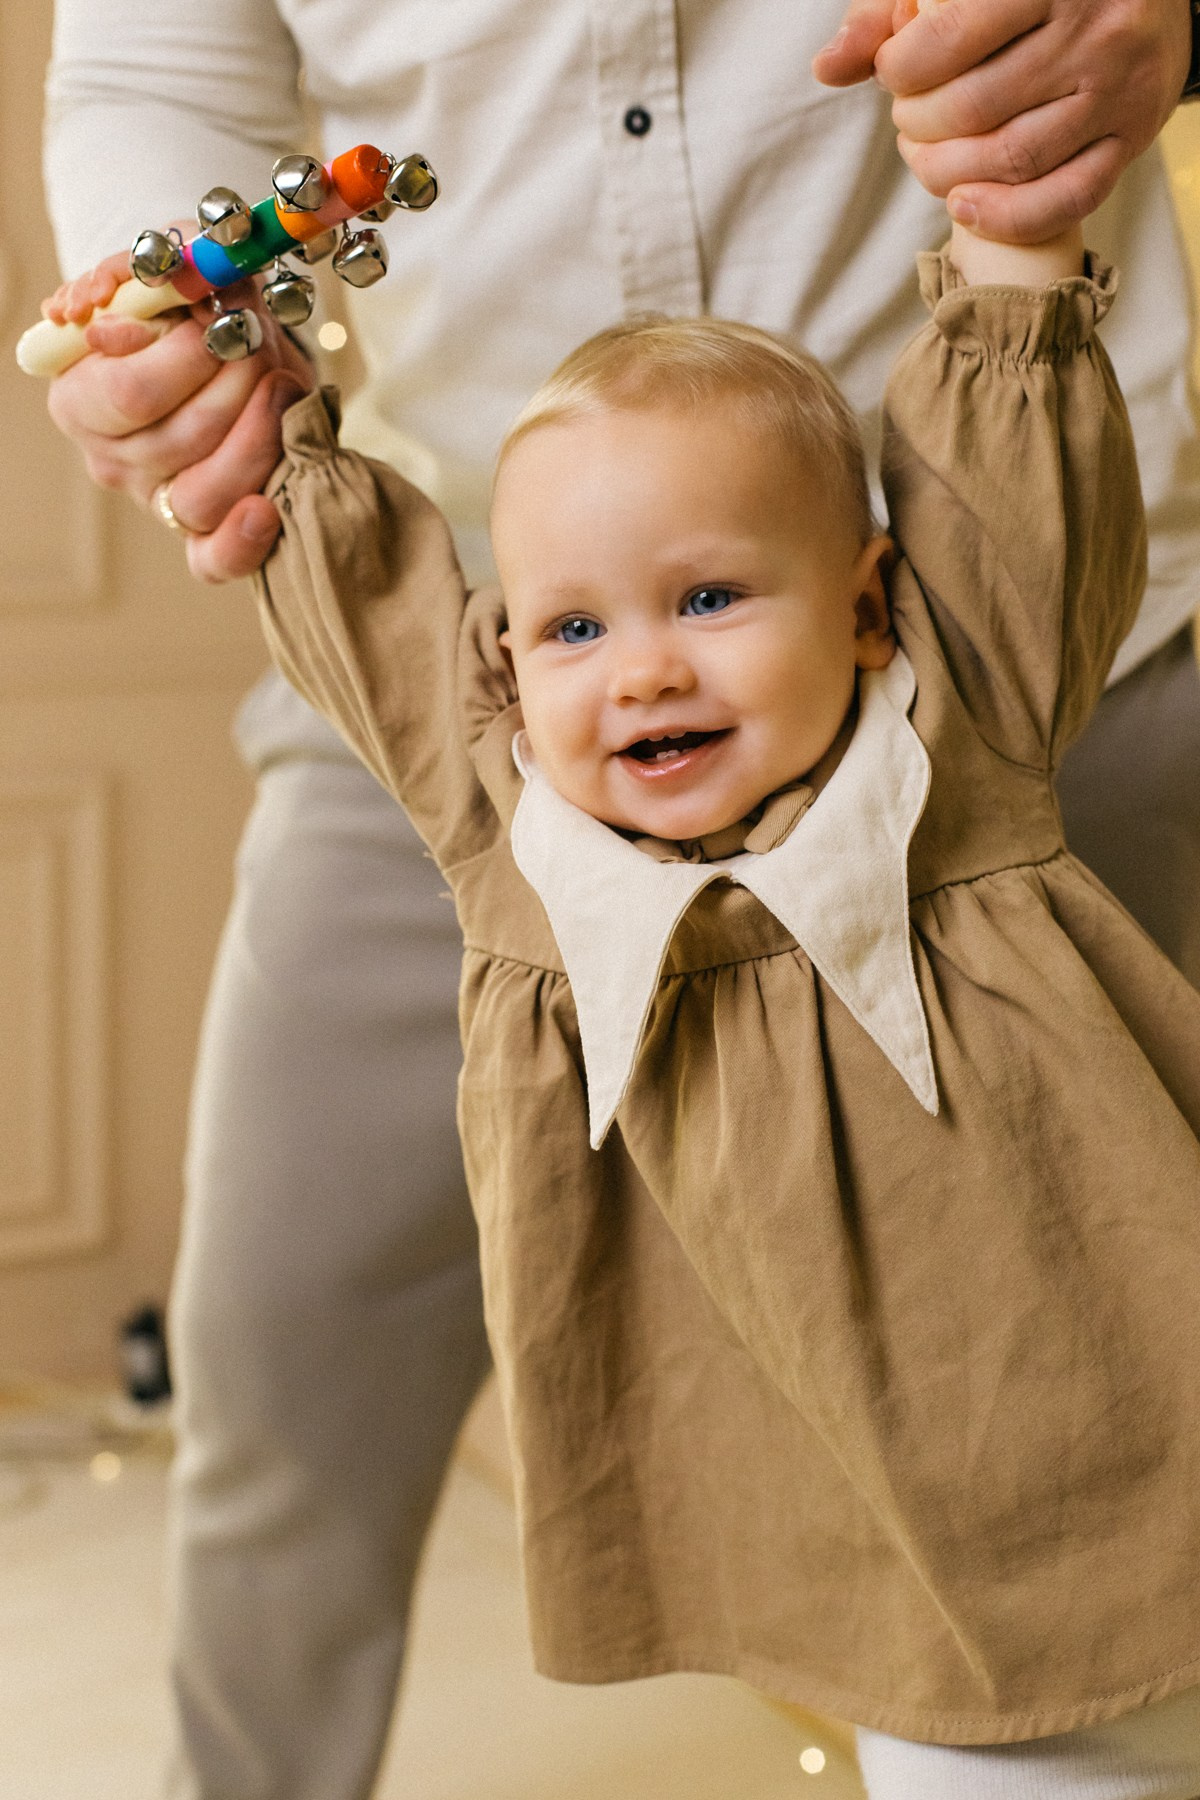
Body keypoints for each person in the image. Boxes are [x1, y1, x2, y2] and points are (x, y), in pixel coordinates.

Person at [37, 1, 1200, 1795]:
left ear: (874, 606)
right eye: (581, 627)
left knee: (1039, 1454)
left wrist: (1042, 169)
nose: (649, 667)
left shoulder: (964, 709)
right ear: (512, 658)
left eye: (705, 603)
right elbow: (145, 86)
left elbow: (1014, 362)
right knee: (277, 1367)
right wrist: (196, 358)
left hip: (1082, 652)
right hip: (452, 572)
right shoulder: (490, 765)